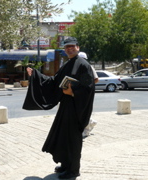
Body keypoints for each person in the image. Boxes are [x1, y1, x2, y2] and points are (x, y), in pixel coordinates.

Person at [23, 37, 95, 179]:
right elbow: (54, 82)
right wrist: (36, 75)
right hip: (65, 108)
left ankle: (73, 170)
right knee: (63, 137)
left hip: (76, 109)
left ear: (78, 47)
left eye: (72, 46)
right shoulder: (68, 64)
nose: (70, 49)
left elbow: (89, 88)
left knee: (73, 140)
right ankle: (66, 165)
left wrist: (72, 92)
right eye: (67, 47)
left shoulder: (83, 65)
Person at [78, 52, 98, 138]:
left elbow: (96, 79)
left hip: (85, 93)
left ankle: (86, 131)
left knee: (83, 112)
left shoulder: (88, 66)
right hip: (77, 93)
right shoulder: (76, 67)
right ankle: (91, 122)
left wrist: (87, 85)